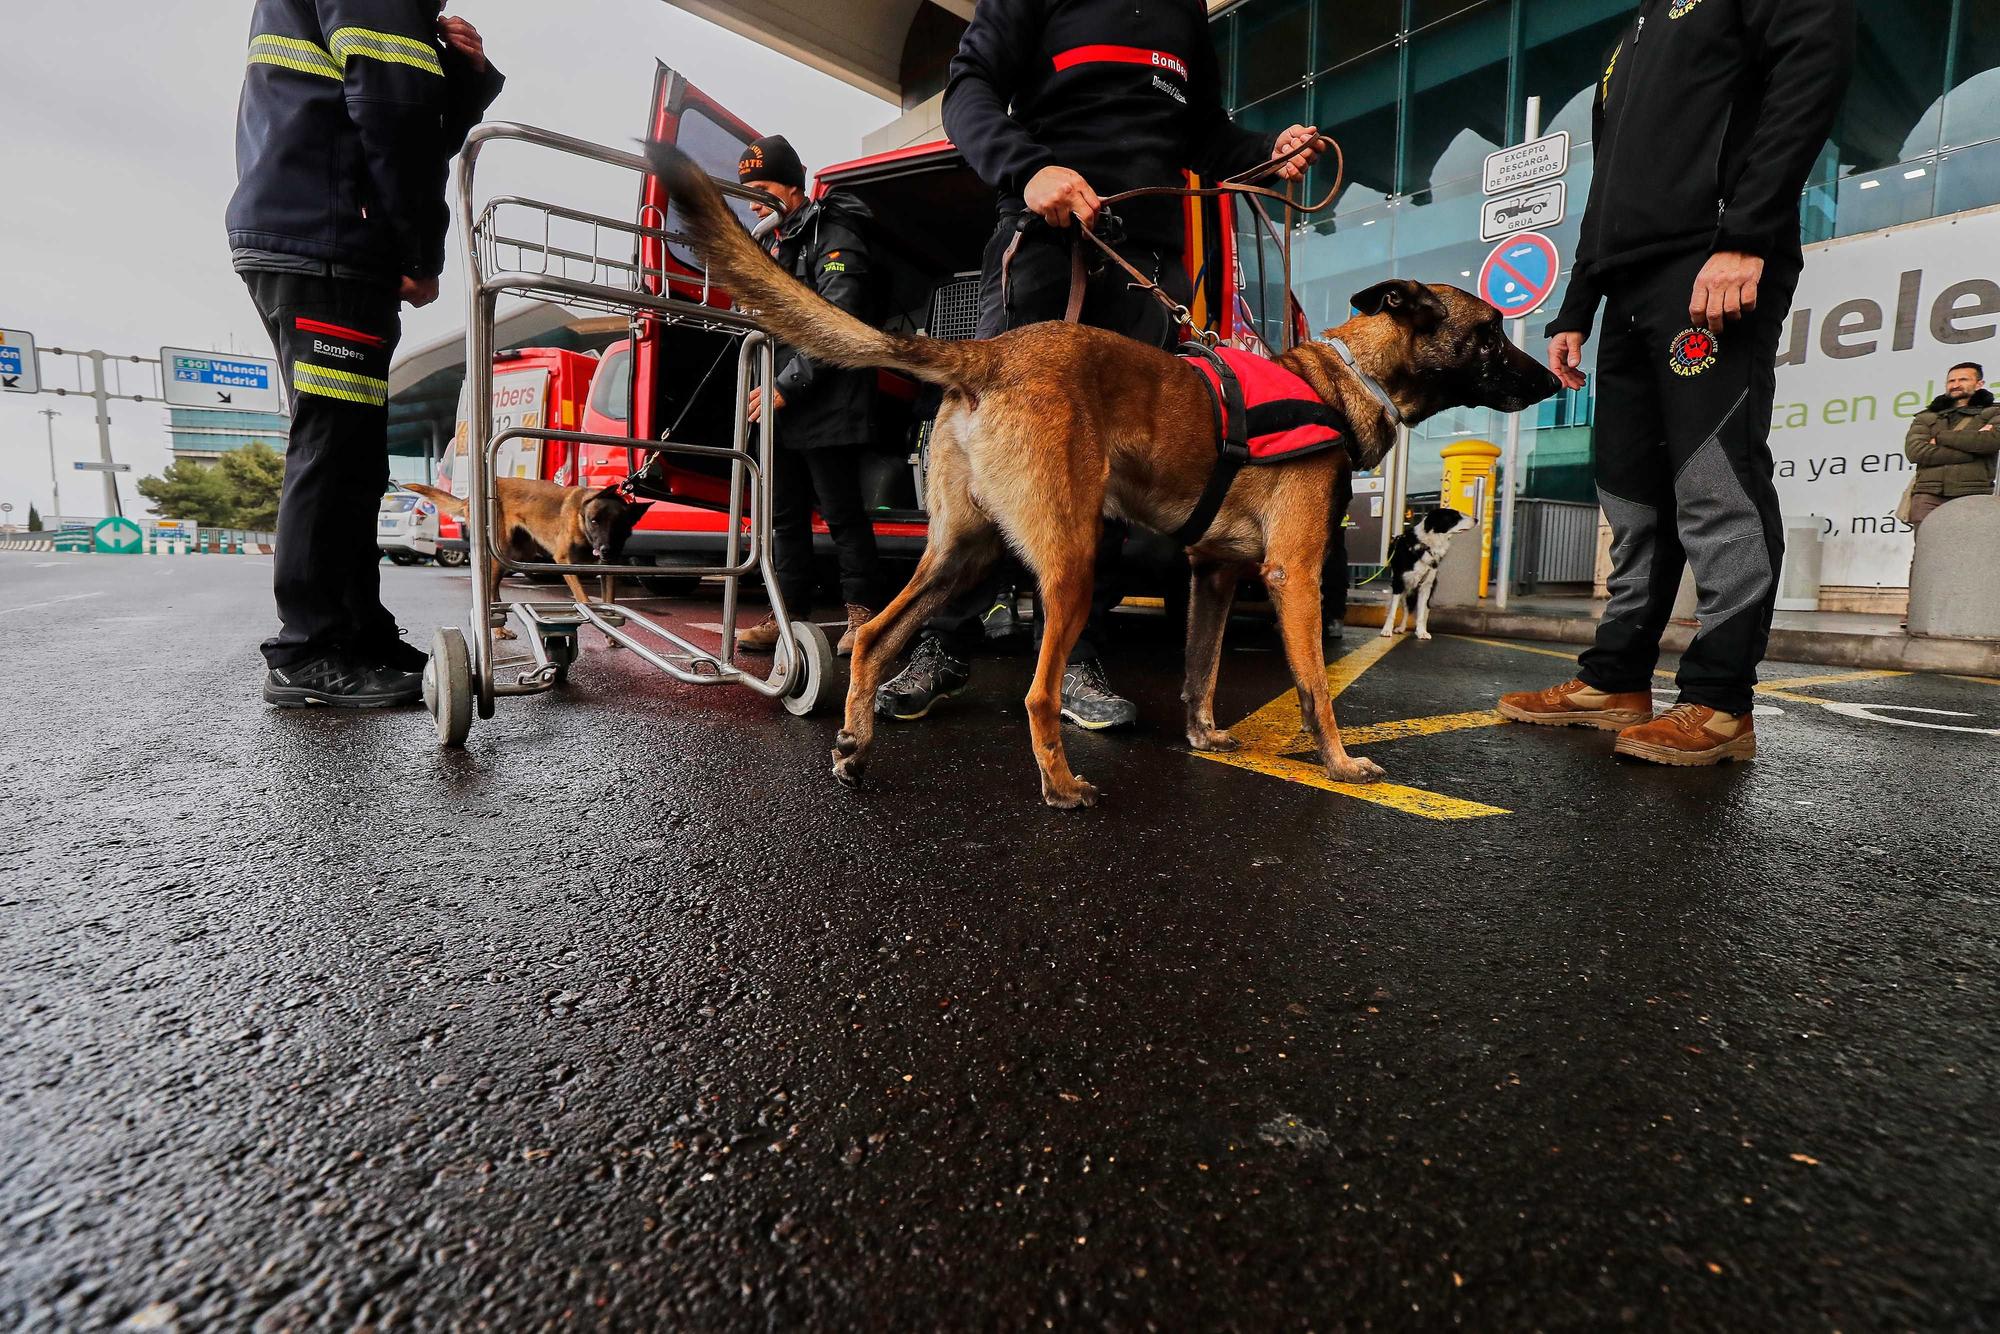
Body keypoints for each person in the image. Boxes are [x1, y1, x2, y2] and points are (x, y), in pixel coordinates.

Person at [873, 0, 1322, 729]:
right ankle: (943, 644)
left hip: (1145, 265)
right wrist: (1028, 169)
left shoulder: (1182, 13)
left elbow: (1203, 134)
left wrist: (1267, 152)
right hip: (1043, 246)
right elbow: (968, 90)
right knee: (993, 458)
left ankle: (1079, 653)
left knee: (1111, 474)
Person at [1498, 0, 1855, 767]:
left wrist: (1746, 236)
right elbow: (1609, 182)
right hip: (1627, 285)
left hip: (1710, 261)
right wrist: (1575, 306)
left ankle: (1721, 702)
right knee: (1630, 496)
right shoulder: (1631, 33)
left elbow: (1807, 81)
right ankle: (1616, 679)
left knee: (1713, 482)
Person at [229, 1, 503, 707]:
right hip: (327, 235)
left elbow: (399, 107)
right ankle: (308, 649)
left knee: (353, 452)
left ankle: (355, 632)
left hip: (320, 231)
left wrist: (464, 82)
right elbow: (393, 105)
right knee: (331, 444)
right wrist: (419, 247)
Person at [732, 135, 883, 659]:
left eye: (764, 188)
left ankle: (864, 616)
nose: (753, 201)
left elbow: (838, 320)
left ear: (794, 185)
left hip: (827, 400)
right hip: (779, 403)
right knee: (782, 517)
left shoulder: (835, 229)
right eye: (747, 190)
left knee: (841, 513)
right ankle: (786, 611)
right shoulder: (773, 240)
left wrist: (784, 386)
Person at [1904, 362, 1999, 529]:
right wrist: (1971, 451)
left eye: (1963, 379)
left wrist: (1940, 437)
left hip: (1973, 492)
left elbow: (1990, 442)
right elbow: (1915, 452)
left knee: (1971, 548)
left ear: (1979, 384)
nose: (1955, 385)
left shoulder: (1995, 412)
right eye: (1951, 381)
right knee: (1926, 552)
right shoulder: (1926, 416)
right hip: (1928, 494)